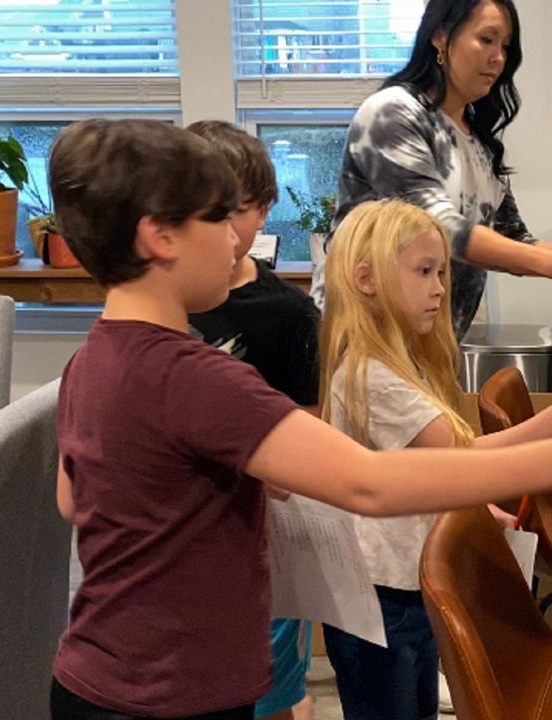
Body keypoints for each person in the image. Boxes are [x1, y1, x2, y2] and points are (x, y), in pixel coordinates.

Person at [47, 118, 552, 720]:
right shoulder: (201, 380)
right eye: (219, 217)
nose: (236, 241)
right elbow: (371, 483)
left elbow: (74, 500)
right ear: (160, 237)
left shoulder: (88, 361)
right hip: (172, 693)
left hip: (94, 677)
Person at [318, 199, 552, 720]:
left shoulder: (402, 362)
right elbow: (464, 461)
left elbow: (425, 478)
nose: (440, 288)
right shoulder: (370, 376)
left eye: (442, 272)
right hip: (379, 596)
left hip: (405, 582)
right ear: (366, 279)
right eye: (425, 272)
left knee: (417, 703)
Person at [312, 0, 552, 337]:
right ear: (440, 36)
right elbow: (439, 230)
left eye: (505, 46)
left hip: (431, 342)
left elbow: (514, 238)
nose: (498, 57)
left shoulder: (477, 137)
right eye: (486, 39)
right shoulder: (393, 113)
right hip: (363, 335)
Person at [184, 120, 317, 720]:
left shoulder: (287, 314)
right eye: (240, 208)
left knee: (270, 694)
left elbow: (309, 447)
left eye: (260, 207)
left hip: (262, 548)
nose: (256, 222)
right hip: (184, 562)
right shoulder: (157, 315)